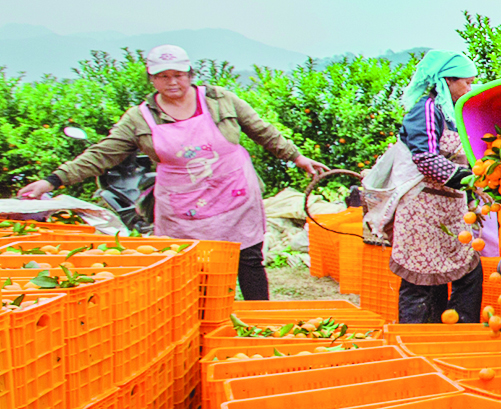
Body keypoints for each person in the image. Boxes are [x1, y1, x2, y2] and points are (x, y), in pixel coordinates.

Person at [16, 45, 328, 300]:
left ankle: (259, 323)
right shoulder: (139, 118)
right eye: (163, 76)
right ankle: (204, 324)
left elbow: (262, 130)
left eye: (178, 75)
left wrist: (297, 158)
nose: (172, 82)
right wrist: (51, 181)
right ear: (152, 79)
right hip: (184, 205)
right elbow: (102, 154)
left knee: (248, 260)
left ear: (191, 75)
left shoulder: (219, 100)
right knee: (194, 266)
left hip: (233, 192)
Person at [383, 50, 482, 325]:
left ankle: (456, 339)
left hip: (448, 212)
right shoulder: (427, 109)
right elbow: (426, 159)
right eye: (466, 82)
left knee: (464, 274)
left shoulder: (453, 113)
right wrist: (471, 179)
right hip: (422, 213)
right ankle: (416, 344)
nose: (469, 88)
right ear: (447, 80)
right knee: (422, 284)